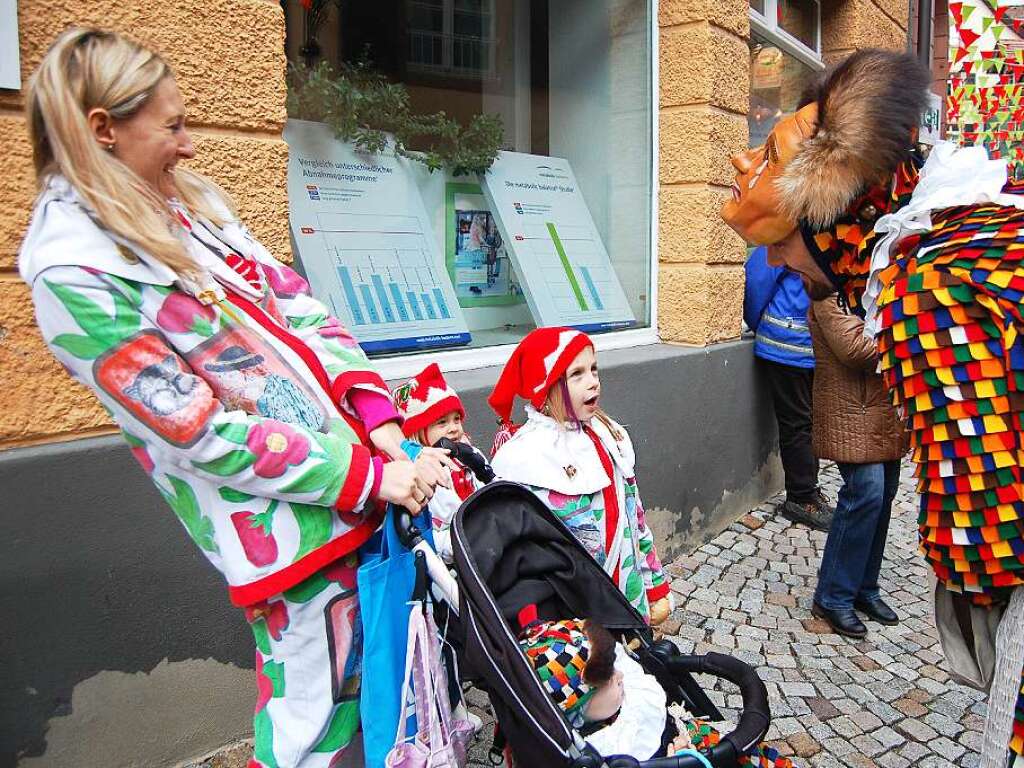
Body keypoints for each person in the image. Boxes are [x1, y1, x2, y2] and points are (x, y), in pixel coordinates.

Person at [18, 28, 455, 768]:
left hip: (359, 488)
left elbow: (300, 307)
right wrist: (373, 475)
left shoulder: (187, 210)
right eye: (174, 125)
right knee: (308, 729)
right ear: (105, 131)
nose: (190, 145)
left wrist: (377, 420)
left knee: (372, 702)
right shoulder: (75, 278)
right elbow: (201, 433)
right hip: (292, 531)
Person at [720, 47, 1024, 768]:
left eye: (784, 243)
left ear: (833, 219)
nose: (779, 265)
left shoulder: (929, 282)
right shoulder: (978, 234)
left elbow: (985, 528)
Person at [488, 328, 672, 625]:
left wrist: (654, 587)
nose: (593, 382)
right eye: (577, 374)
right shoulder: (528, 458)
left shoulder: (609, 435)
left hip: (627, 593)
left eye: (593, 369)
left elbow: (635, 521)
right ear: (545, 388)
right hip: (576, 614)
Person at [517, 608, 796, 765]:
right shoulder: (607, 749)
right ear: (578, 705)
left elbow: (626, 667)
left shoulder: (606, 698)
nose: (621, 676)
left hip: (686, 738)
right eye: (610, 679)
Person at [807, 294, 907, 637]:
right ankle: (833, 596)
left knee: (885, 495)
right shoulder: (827, 291)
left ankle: (864, 587)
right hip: (851, 410)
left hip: (884, 410)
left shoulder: (882, 287)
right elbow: (857, 350)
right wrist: (908, 331)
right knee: (866, 492)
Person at [744, 245, 833, 530]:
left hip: (804, 345)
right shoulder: (788, 234)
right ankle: (801, 497)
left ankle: (807, 491)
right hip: (788, 345)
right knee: (799, 423)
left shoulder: (799, 233)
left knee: (806, 422)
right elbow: (757, 283)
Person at [393, 362, 489, 562]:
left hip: (485, 543)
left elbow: (491, 487)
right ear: (416, 433)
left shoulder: (471, 456)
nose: (454, 428)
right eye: (442, 423)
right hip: (452, 559)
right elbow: (423, 535)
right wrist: (457, 545)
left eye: (457, 419)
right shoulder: (418, 475)